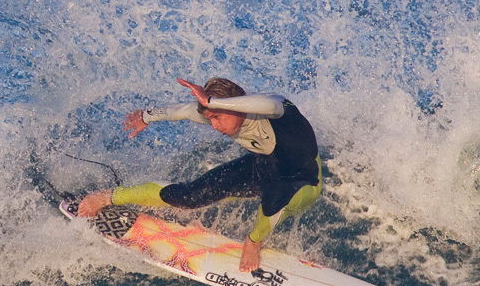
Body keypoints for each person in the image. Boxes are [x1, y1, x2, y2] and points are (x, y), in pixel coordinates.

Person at [77, 77, 322, 272]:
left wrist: (215, 103)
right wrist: (145, 117)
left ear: (233, 105)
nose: (214, 126)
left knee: (276, 197)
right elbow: (183, 111)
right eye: (211, 118)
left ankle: (253, 242)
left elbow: (271, 104)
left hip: (302, 181)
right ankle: (112, 196)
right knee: (189, 196)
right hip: (262, 168)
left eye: (217, 117)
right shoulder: (218, 115)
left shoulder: (275, 111)